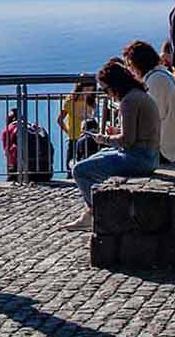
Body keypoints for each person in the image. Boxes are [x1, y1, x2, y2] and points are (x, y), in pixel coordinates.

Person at [66, 59, 161, 230]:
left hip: (138, 158)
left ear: (114, 85)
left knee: (79, 170)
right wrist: (115, 133)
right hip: (149, 155)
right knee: (97, 157)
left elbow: (127, 141)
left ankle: (97, 212)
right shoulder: (138, 95)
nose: (105, 93)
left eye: (105, 89)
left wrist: (103, 138)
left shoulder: (129, 102)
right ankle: (91, 211)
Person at [124, 40, 175, 164]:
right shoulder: (164, 75)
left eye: (130, 65)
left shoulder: (155, 81)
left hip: (163, 150)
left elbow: (153, 118)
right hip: (172, 146)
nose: (130, 70)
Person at [58, 74, 99, 164]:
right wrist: (68, 132)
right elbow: (60, 120)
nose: (89, 92)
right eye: (87, 89)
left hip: (89, 137)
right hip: (74, 137)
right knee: (71, 164)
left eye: (91, 89)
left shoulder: (91, 101)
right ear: (80, 86)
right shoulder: (70, 101)